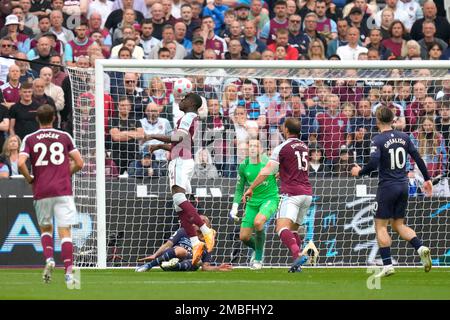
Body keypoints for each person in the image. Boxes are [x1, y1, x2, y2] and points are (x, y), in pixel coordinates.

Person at [351, 106, 433, 278]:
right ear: (393, 119)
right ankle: (420, 247)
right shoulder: (404, 137)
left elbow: (373, 163)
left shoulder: (378, 139)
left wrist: (359, 172)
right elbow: (417, 158)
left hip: (387, 187)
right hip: (403, 186)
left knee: (381, 226)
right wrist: (427, 179)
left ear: (377, 120)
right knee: (398, 224)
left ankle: (387, 265)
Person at [143, 93, 216, 265]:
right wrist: (161, 145)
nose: (180, 101)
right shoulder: (191, 118)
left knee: (178, 197)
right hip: (183, 158)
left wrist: (153, 135)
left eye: (183, 99)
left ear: (191, 103)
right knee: (179, 208)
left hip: (180, 161)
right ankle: (196, 242)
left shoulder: (187, 117)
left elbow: (177, 138)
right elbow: (181, 142)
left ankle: (206, 230)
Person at [18, 104, 84, 286]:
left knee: (46, 229)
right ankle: (69, 273)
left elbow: (20, 163)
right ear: (54, 118)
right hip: (63, 190)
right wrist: (65, 174)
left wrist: (30, 179)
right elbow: (79, 162)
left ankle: (49, 259)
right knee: (65, 231)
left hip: (42, 190)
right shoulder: (64, 136)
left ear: (37, 119)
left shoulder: (30, 138)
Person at [243, 118, 318, 273]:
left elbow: (266, 170)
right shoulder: (304, 146)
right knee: (294, 230)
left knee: (281, 228)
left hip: (291, 194)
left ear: (286, 130)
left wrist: (251, 187)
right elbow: (296, 167)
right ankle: (297, 264)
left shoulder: (282, 147)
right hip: (307, 194)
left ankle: (298, 254)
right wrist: (282, 173)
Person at [229, 139, 279, 270]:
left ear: (260, 148)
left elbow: (283, 171)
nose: (252, 148)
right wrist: (234, 207)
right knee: (244, 237)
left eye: (255, 146)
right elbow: (239, 189)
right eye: (250, 145)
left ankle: (258, 259)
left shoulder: (269, 163)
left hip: (269, 199)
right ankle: (259, 250)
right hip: (252, 203)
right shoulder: (243, 165)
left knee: (258, 223)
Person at [136, 215, 232, 272]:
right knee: (181, 251)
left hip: (190, 264)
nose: (200, 222)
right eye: (198, 220)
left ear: (208, 226)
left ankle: (173, 266)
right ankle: (149, 265)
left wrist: (218, 268)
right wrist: (155, 255)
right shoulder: (184, 231)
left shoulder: (208, 242)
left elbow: (205, 267)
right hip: (174, 255)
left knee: (198, 262)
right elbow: (167, 245)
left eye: (203, 221)